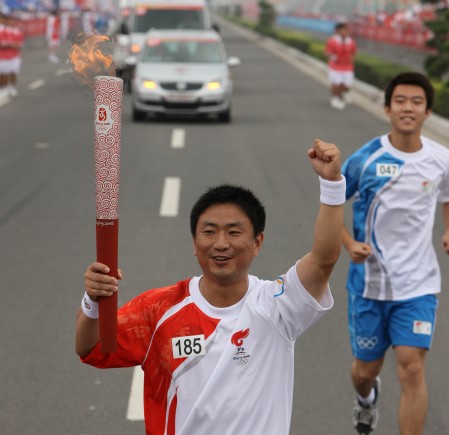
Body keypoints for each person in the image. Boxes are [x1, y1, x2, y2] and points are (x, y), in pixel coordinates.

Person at [76, 139, 346, 435]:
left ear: (257, 242)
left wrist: (332, 184)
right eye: (209, 232)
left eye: (233, 232)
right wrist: (93, 301)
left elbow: (323, 260)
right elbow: (89, 347)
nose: (220, 244)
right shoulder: (158, 309)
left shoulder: (276, 306)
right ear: (195, 243)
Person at [341, 72, 449, 435]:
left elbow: (447, 194)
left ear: (427, 112)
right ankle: (366, 400)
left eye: (416, 102)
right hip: (369, 285)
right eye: (400, 100)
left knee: (412, 368)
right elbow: (330, 201)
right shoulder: (365, 159)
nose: (408, 108)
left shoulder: (440, 159)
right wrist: (348, 243)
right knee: (365, 372)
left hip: (418, 284)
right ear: (387, 108)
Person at [324, 21, 357, 110]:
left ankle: (344, 93)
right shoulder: (332, 41)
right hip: (335, 67)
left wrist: (351, 60)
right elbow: (327, 53)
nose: (346, 31)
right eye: (343, 30)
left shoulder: (351, 41)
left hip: (347, 67)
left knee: (347, 84)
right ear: (337, 31)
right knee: (337, 84)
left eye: (346, 30)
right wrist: (332, 56)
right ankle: (336, 98)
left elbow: (353, 53)